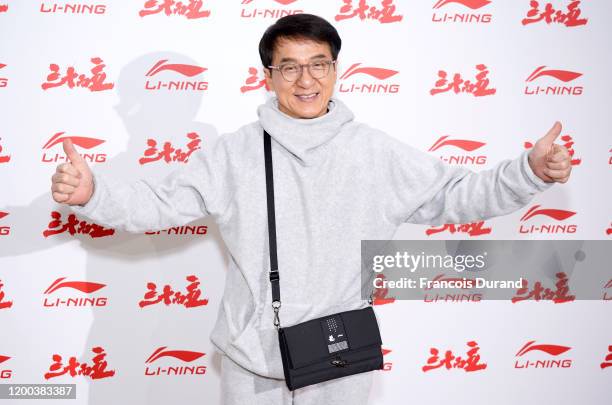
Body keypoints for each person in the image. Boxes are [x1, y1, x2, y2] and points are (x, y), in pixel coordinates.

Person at [49, 13, 572, 405]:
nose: (306, 80)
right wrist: (94, 192)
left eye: (318, 64)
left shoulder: (373, 150)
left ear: (335, 69)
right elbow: (159, 204)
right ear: (268, 76)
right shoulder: (234, 152)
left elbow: (457, 193)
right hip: (250, 358)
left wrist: (529, 170)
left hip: (339, 358)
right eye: (290, 67)